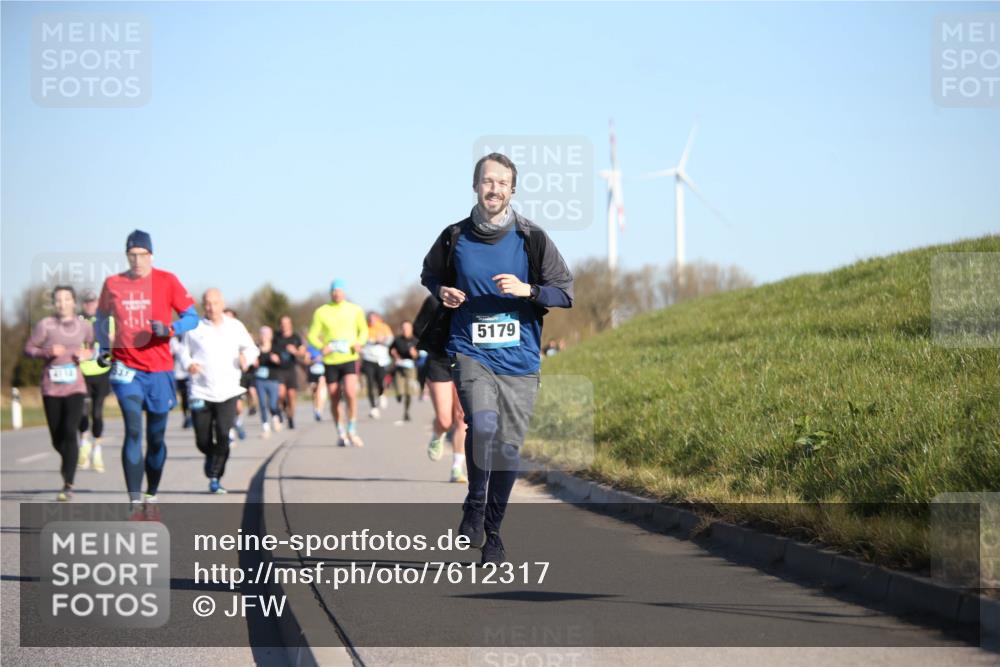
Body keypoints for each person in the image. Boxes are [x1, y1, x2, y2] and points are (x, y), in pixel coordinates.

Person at [420, 153, 574, 564]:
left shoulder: (531, 238)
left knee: (508, 446)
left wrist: (530, 291)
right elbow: (430, 274)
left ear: (512, 190)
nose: (494, 189)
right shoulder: (455, 236)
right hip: (470, 350)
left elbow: (565, 291)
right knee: (483, 424)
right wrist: (442, 292)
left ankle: (493, 530)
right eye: (487, 181)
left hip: (520, 358)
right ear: (475, 186)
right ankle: (474, 502)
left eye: (502, 183)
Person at [96, 230, 198, 507]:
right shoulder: (113, 283)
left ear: (151, 255)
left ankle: (152, 488)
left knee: (155, 438)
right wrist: (105, 347)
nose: (137, 260)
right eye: (132, 255)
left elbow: (192, 317)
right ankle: (133, 497)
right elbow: (101, 317)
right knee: (133, 430)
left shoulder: (167, 280)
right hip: (126, 368)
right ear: (126, 256)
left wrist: (170, 328)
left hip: (160, 369)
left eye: (142, 255)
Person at [178, 289, 259, 494]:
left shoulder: (235, 326)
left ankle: (215, 477)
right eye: (207, 303)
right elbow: (181, 350)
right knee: (202, 440)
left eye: (214, 303)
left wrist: (245, 359)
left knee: (224, 434)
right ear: (202, 305)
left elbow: (252, 349)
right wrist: (188, 363)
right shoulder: (194, 327)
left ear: (222, 304)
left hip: (228, 390)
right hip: (200, 390)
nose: (211, 307)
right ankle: (210, 455)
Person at [24, 286, 94, 501]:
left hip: (75, 387)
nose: (62, 303)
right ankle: (69, 461)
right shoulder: (46, 325)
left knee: (70, 429)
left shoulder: (83, 326)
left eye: (66, 299)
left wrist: (87, 354)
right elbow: (28, 349)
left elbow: (93, 347)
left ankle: (68, 484)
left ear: (74, 302)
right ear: (54, 303)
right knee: (57, 438)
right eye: (58, 300)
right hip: (51, 389)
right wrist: (47, 352)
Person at [412, 296, 468, 484]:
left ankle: (457, 468)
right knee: (445, 420)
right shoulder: (434, 300)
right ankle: (438, 433)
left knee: (462, 417)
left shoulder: (473, 295)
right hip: (439, 361)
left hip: (466, 360)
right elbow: (417, 328)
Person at [307, 279, 368, 447]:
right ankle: (340, 431)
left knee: (350, 393)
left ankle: (352, 429)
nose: (337, 293)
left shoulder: (355, 310)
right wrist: (322, 347)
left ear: (344, 292)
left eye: (340, 290)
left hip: (349, 357)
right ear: (330, 293)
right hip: (331, 361)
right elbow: (312, 335)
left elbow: (363, 331)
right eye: (334, 291)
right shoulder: (322, 311)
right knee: (334, 397)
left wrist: (359, 342)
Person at [77, 289, 112, 473]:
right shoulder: (76, 321)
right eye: (87, 302)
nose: (90, 305)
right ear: (83, 304)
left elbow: (113, 344)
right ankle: (84, 441)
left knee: (97, 413)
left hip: (101, 372)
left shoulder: (107, 320)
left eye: (93, 302)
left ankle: (97, 449)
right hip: (82, 373)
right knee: (81, 412)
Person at [360, 312, 393, 418]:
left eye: (373, 319)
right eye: (369, 319)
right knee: (369, 382)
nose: (371, 321)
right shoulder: (364, 328)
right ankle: (373, 408)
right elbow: (359, 342)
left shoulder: (384, 327)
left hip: (381, 360)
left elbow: (390, 340)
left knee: (380, 380)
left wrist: (383, 339)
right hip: (368, 359)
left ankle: (381, 394)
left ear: (378, 318)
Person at [274, 315, 305, 429]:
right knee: (280, 394)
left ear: (290, 324)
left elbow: (302, 352)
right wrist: (272, 356)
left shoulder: (295, 337)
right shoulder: (276, 337)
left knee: (292, 396)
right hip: (279, 369)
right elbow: (270, 349)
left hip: (291, 369)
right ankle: (283, 408)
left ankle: (291, 417)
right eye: (282, 323)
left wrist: (295, 351)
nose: (284, 326)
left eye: (287, 323)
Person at [254, 325, 283, 438]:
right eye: (262, 334)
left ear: (270, 336)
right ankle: (265, 427)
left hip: (273, 379)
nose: (264, 337)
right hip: (260, 380)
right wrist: (253, 362)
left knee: (272, 404)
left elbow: (283, 362)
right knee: (262, 403)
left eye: (267, 334)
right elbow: (250, 363)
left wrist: (277, 360)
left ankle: (275, 418)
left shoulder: (275, 348)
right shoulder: (256, 348)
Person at [389, 319, 419, 424]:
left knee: (409, 393)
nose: (405, 330)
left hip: (410, 368)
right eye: (404, 328)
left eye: (407, 328)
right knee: (399, 389)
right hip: (399, 368)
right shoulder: (397, 340)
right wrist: (393, 354)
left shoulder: (415, 341)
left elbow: (419, 356)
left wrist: (414, 354)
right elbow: (390, 350)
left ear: (411, 329)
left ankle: (406, 411)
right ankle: (398, 395)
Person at [170, 337, 192, 428]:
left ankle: (190, 417)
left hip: (189, 374)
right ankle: (186, 416)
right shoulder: (173, 341)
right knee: (182, 397)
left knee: (188, 397)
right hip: (177, 374)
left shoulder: (190, 337)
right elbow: (170, 354)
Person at [305, 342, 327, 421]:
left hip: (322, 372)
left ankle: (319, 410)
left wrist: (323, 358)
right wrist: (314, 360)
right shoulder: (310, 348)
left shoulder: (325, 346)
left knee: (320, 391)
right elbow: (306, 361)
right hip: (312, 372)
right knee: (314, 393)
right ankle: (316, 408)